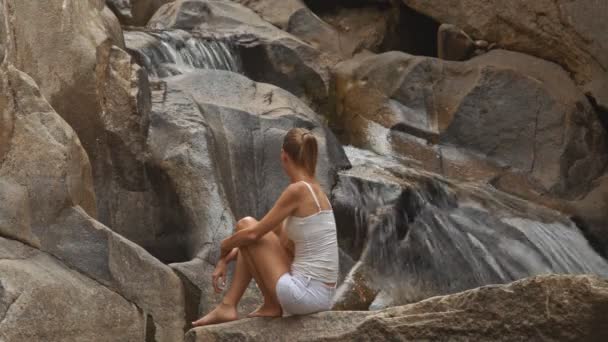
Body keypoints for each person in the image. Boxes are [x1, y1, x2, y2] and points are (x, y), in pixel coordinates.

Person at [192, 128, 339, 327]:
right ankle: (230, 306)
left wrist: (223, 248)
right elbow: (263, 237)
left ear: (284, 156)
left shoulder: (298, 190)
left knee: (246, 225)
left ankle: (260, 305)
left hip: (305, 294)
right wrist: (231, 255)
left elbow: (253, 233)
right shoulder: (315, 191)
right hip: (320, 294)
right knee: (249, 235)